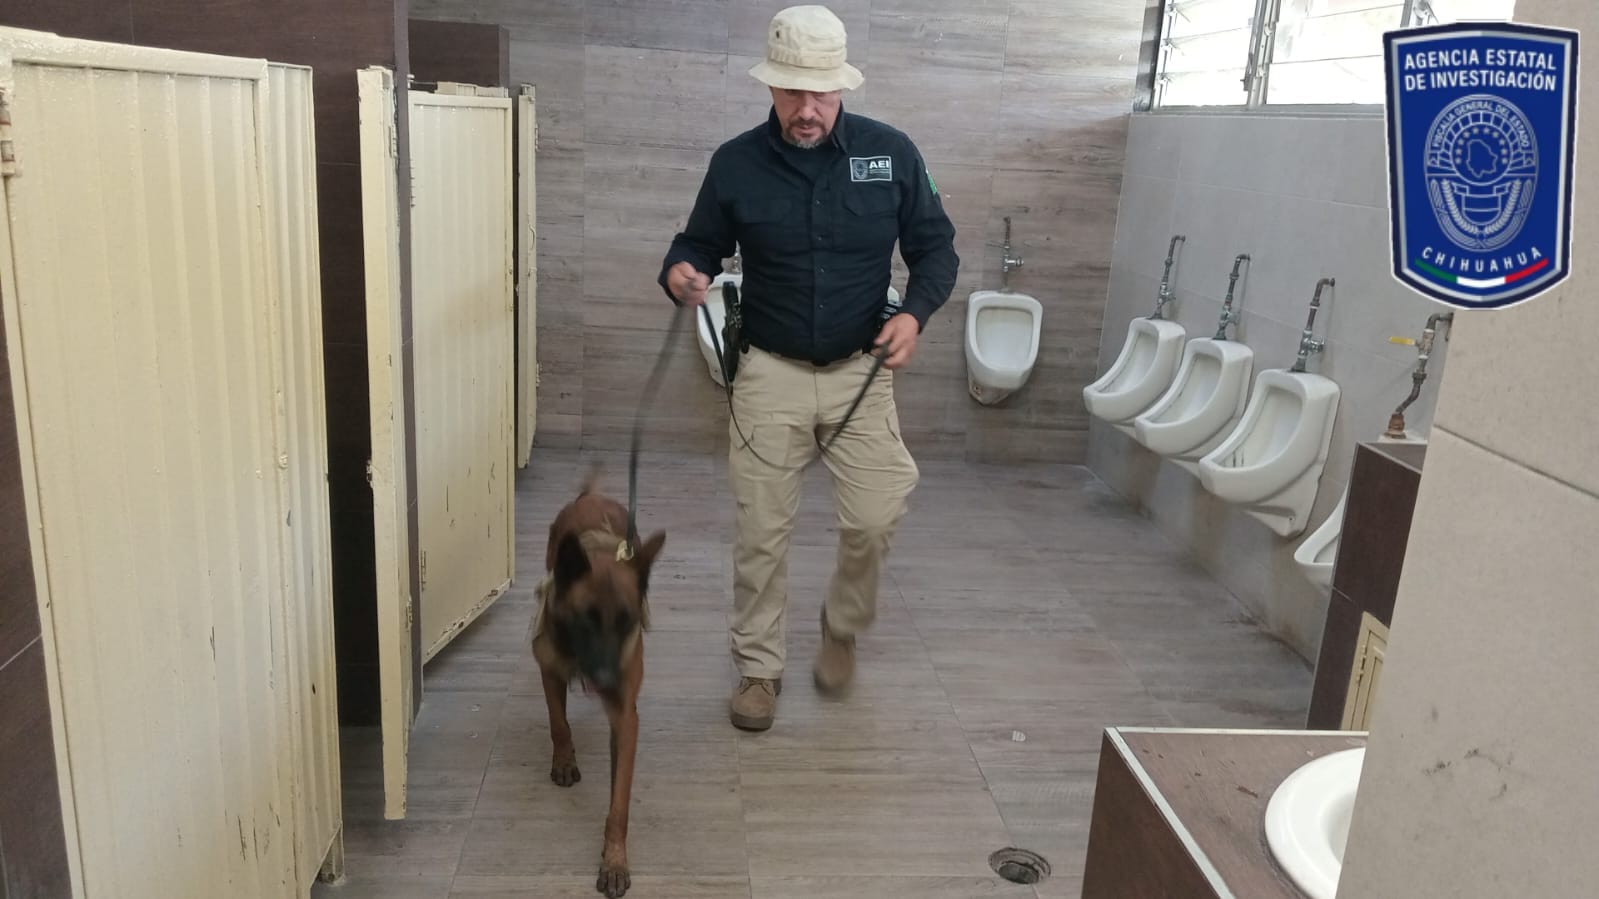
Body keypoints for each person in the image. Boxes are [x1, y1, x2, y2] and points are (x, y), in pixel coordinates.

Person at [657, 4, 958, 732]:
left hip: (862, 370)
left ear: (841, 86)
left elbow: (936, 249)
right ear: (769, 86)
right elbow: (696, 243)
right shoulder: (735, 163)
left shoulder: (891, 153)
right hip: (769, 371)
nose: (807, 108)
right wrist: (682, 272)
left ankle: (841, 625)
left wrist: (914, 314)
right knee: (761, 532)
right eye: (792, 91)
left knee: (877, 513)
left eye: (820, 92)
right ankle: (758, 669)